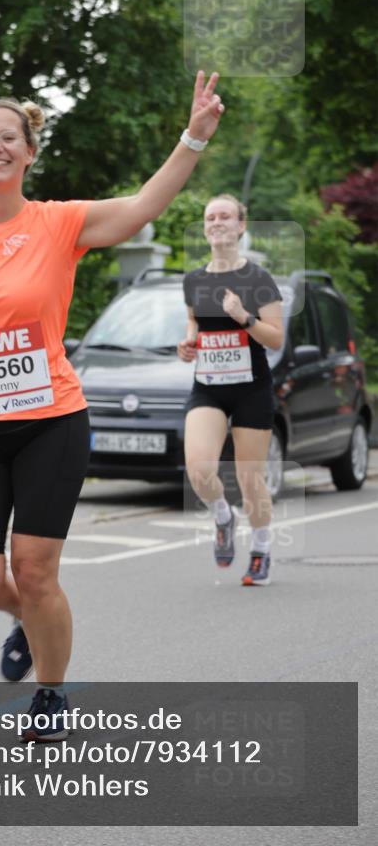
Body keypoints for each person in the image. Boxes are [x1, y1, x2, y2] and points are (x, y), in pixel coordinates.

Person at [0, 71, 224, 740]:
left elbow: (139, 208)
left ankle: (49, 692)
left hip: (50, 423)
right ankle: (27, 620)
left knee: (35, 572)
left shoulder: (57, 222)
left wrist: (192, 138)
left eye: (8, 137)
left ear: (28, 150)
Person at [177, 194, 284, 585]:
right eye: (211, 217)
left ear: (241, 226)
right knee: (200, 469)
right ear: (205, 227)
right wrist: (187, 343)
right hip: (208, 387)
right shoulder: (194, 280)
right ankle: (223, 515)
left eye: (225, 216)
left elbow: (274, 338)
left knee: (250, 477)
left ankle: (260, 548)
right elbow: (193, 324)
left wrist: (244, 317)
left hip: (251, 387)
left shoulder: (258, 279)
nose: (217, 222)